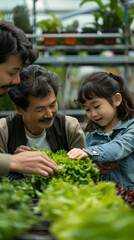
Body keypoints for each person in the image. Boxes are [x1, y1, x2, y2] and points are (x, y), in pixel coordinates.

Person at [0, 64, 85, 179]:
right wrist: (15, 163)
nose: (49, 114)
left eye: (53, 104)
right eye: (40, 109)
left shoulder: (70, 127)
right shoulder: (3, 131)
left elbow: (81, 172)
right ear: (19, 108)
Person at [0, 21, 59, 177]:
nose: (17, 81)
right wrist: (13, 162)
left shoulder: (67, 127)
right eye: (12, 72)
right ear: (18, 109)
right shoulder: (5, 129)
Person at [67, 71, 134, 189]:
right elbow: (91, 170)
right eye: (87, 109)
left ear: (117, 99)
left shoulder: (131, 128)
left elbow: (119, 147)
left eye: (97, 106)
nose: (93, 114)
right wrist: (95, 166)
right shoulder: (91, 136)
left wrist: (91, 152)